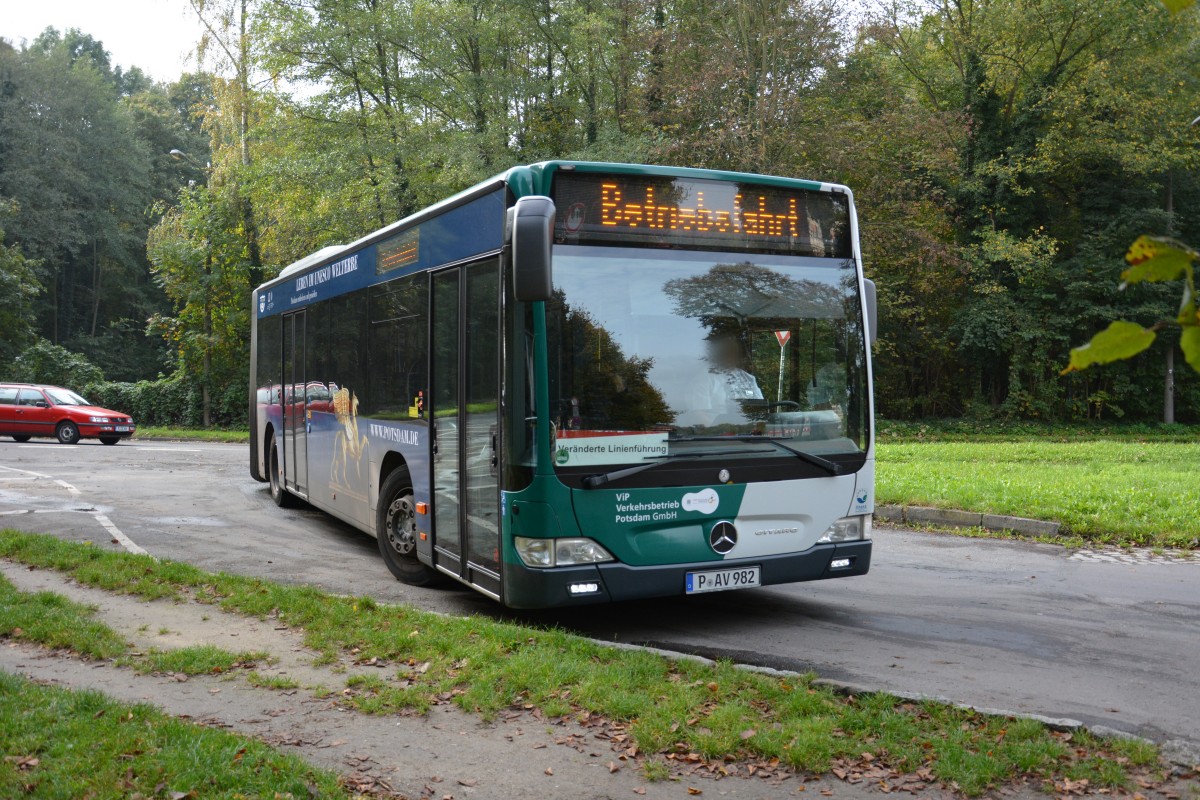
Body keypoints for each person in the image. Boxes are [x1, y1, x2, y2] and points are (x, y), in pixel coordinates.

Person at [682, 333, 763, 427]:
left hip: (749, 433)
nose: (732, 355)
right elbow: (697, 414)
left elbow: (759, 407)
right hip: (717, 436)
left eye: (735, 351)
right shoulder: (704, 379)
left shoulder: (748, 378)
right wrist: (720, 431)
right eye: (728, 351)